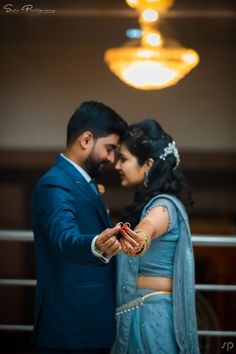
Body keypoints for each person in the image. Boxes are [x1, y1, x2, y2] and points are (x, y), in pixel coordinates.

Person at [31, 101, 127, 354]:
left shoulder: (85, 182)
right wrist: (96, 245)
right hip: (69, 328)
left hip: (88, 324)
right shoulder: (55, 184)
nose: (111, 158)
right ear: (86, 139)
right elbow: (64, 237)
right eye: (109, 148)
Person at [112, 119, 200, 354]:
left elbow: (148, 227)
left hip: (151, 317)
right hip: (143, 312)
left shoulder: (163, 206)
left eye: (124, 158)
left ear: (148, 164)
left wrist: (139, 240)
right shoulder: (151, 204)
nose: (116, 165)